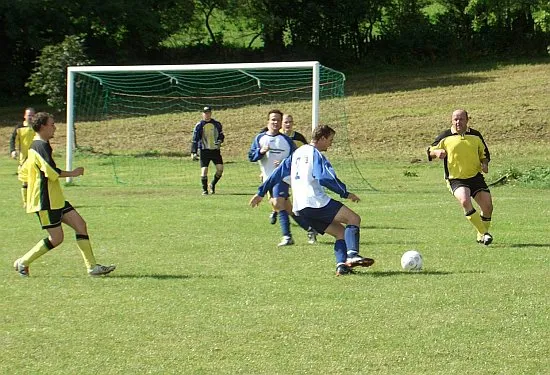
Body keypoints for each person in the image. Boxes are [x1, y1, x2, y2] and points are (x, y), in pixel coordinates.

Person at [249, 125, 375, 275]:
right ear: (322, 138)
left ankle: (342, 266)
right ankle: (352, 255)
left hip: (300, 208)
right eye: (330, 140)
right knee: (353, 219)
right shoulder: (316, 154)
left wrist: (261, 192)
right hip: (315, 202)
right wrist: (345, 193)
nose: (331, 144)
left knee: (340, 232)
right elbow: (324, 177)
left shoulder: (297, 153)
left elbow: (276, 174)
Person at [13, 112, 116, 277]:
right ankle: (22, 262)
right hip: (45, 201)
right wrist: (73, 173)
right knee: (56, 238)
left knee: (80, 225)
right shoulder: (39, 147)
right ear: (42, 127)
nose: (55, 127)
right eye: (52, 124)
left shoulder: (40, 146)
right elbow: (51, 172)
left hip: (56, 199)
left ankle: (92, 268)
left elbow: (24, 173)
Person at [427, 109, 493, 245]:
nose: (458, 122)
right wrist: (437, 152)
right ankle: (484, 233)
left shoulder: (475, 135)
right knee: (464, 201)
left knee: (488, 207)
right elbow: (430, 151)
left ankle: (481, 236)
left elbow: (484, 154)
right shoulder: (445, 136)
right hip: (455, 178)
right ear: (452, 121)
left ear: (467, 120)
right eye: (455, 119)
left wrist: (484, 164)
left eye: (461, 119)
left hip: (475, 177)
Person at [248, 109, 302, 246]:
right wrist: (260, 152)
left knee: (278, 203)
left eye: (278, 120)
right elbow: (251, 156)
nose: (275, 122)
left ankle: (287, 237)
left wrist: (285, 164)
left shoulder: (286, 141)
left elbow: (297, 158)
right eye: (273, 119)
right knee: (287, 209)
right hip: (268, 179)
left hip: (282, 178)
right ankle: (311, 228)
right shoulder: (260, 138)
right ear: (268, 121)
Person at [268, 114, 309, 226]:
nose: (288, 124)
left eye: (290, 122)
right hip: (275, 172)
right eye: (286, 122)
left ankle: (301, 219)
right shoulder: (273, 136)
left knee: (292, 195)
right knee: (275, 199)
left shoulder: (298, 138)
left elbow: (306, 153)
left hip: (293, 171)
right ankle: (277, 210)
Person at [191, 106, 225, 195]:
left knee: (220, 170)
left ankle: (212, 184)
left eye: (208, 113)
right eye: (205, 113)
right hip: (204, 151)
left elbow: (221, 135)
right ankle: (204, 190)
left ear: (211, 113)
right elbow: (195, 139)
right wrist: (193, 152)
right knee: (204, 170)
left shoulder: (217, 124)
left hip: (215, 151)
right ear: (202, 114)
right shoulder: (199, 125)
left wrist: (220, 141)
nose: (207, 114)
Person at [9, 107, 36, 207]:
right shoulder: (19, 128)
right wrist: (13, 151)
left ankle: (35, 200)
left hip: (36, 158)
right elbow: (12, 140)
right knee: (25, 181)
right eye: (29, 115)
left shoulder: (38, 127)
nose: (31, 117)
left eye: (33, 115)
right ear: (25, 116)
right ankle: (26, 202)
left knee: (37, 180)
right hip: (24, 159)